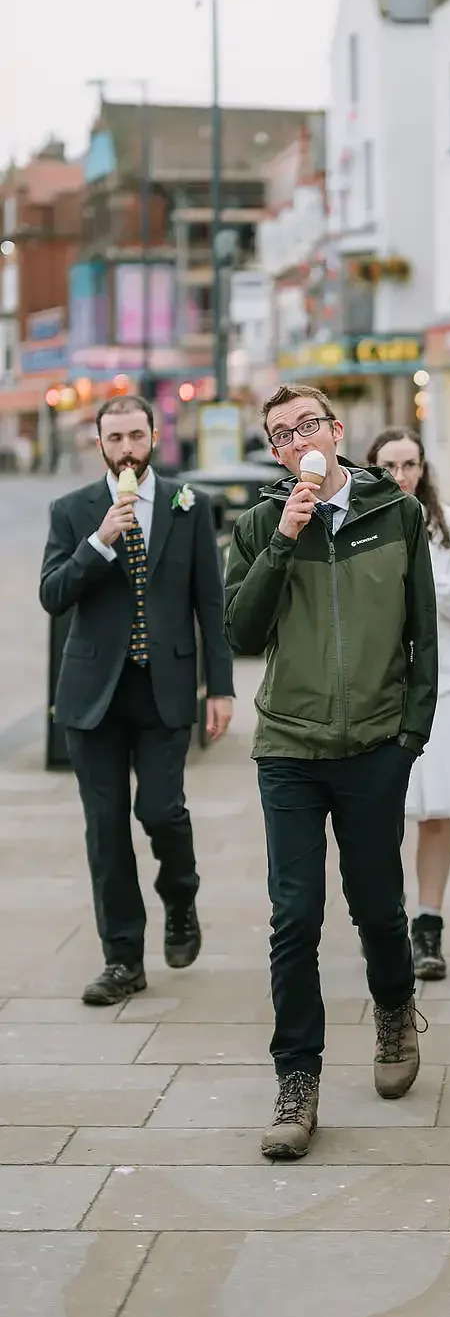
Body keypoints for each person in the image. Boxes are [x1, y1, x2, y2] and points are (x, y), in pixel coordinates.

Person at [224, 385, 438, 1162]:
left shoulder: (397, 514)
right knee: (294, 915)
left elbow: (422, 631)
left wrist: (411, 732)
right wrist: (284, 538)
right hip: (289, 745)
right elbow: (240, 630)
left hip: (376, 745)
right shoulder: (260, 523)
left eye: (308, 425)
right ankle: (297, 1078)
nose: (297, 440)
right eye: (282, 433)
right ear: (275, 451)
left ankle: (394, 1008)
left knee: (377, 905)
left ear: (337, 430)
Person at [39, 394, 234, 1006]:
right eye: (115, 438)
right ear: (100, 443)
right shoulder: (72, 510)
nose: (127, 449)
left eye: (136, 436)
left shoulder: (187, 504)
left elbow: (210, 602)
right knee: (105, 830)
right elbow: (52, 594)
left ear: (154, 437)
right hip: (92, 696)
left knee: (160, 811)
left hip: (164, 690)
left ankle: (181, 896)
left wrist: (220, 687)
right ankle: (122, 958)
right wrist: (98, 542)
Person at [366, 425, 450, 982]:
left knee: (435, 811)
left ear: (423, 468)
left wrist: (419, 576)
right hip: (376, 688)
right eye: (388, 466)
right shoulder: (358, 523)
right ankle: (385, 922)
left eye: (409, 465)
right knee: (380, 814)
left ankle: (428, 924)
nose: (400, 476)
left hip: (441, 684)